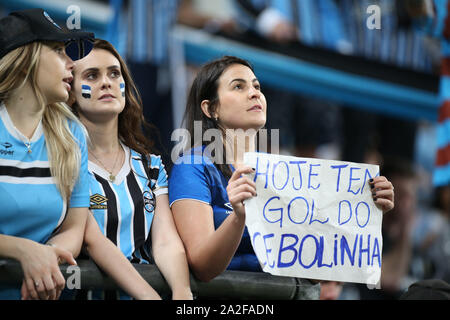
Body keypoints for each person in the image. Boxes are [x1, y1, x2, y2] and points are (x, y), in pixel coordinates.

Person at [168, 55, 395, 282]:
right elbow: (201, 266)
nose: (254, 93)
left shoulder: (286, 174)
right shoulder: (193, 166)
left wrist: (363, 211)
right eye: (238, 86)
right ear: (211, 108)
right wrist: (238, 218)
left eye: (257, 86)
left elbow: (318, 274)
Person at [0, 8, 161, 300]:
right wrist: (23, 251)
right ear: (26, 63)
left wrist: (46, 256)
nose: (70, 64)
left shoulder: (71, 133)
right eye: (60, 51)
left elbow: (74, 229)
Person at [69, 39, 193, 300]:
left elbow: (166, 242)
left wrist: (182, 293)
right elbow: (92, 242)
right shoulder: (62, 161)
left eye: (114, 73)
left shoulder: (151, 166)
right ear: (70, 92)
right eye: (92, 75)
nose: (107, 82)